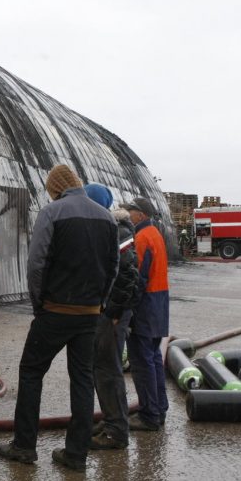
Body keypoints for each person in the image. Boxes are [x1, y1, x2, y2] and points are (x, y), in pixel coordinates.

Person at [0, 165, 119, 473]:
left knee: (30, 373)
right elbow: (113, 266)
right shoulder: (106, 217)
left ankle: (24, 446)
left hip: (54, 311)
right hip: (89, 315)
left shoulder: (52, 212)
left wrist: (40, 305)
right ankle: (75, 454)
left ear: (56, 187)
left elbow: (36, 263)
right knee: (81, 380)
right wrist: (99, 304)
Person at [83, 183, 142, 450]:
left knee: (108, 369)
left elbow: (127, 274)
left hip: (112, 312)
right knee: (101, 367)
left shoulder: (118, 231)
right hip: (106, 310)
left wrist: (114, 312)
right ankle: (110, 420)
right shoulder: (111, 228)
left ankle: (116, 431)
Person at [120, 196, 170, 431]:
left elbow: (137, 278)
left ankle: (149, 414)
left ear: (140, 214)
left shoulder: (141, 238)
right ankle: (159, 409)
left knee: (141, 362)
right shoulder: (156, 235)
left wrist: (126, 310)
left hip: (145, 305)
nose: (128, 214)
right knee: (153, 359)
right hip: (158, 303)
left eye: (131, 211)